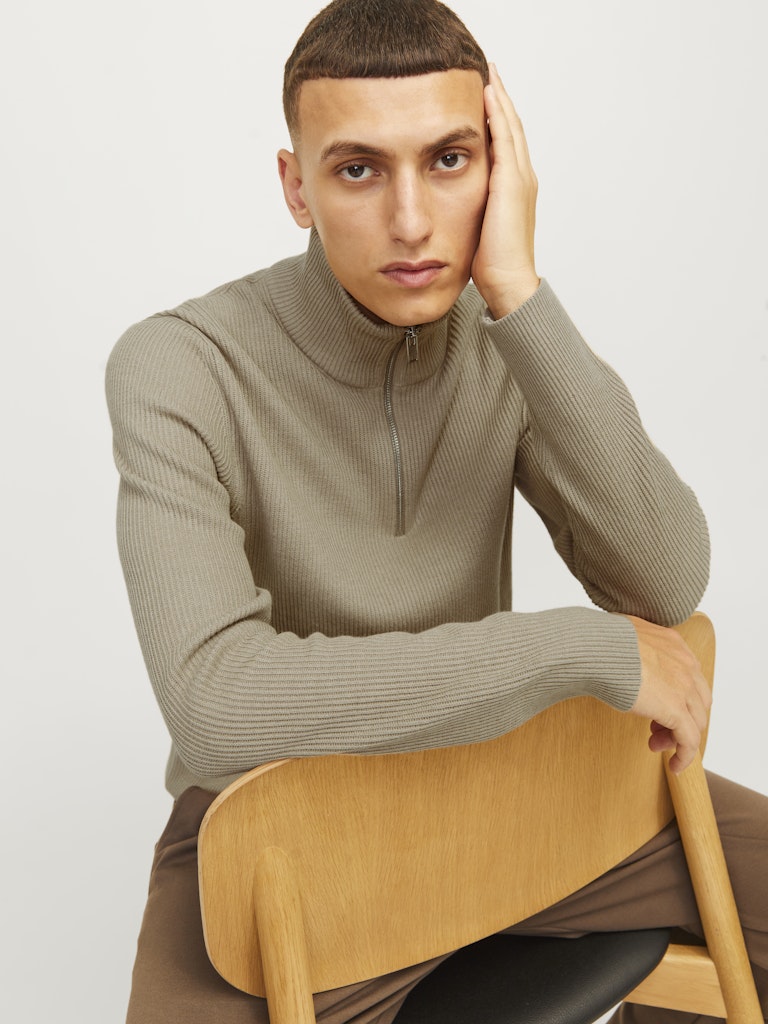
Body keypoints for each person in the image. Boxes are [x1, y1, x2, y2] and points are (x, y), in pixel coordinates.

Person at [105, 0, 767, 1021]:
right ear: (296, 186)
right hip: (285, 839)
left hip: (505, 799)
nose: (411, 221)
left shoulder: (505, 338)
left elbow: (665, 578)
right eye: (358, 169)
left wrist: (519, 293)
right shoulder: (179, 365)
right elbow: (216, 703)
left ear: (500, 171)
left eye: (450, 161)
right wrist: (569, 649)